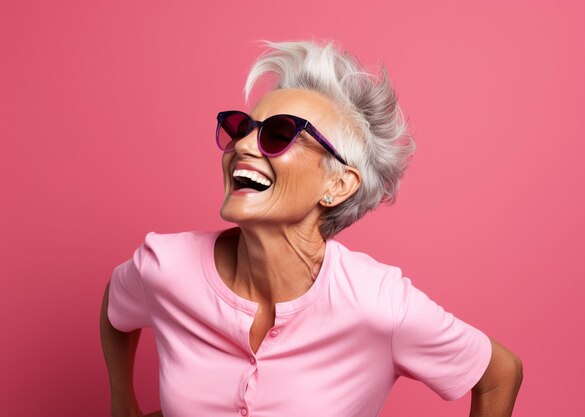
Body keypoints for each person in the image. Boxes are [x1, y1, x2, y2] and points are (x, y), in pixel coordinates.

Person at [100, 40, 523, 417]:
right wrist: (124, 403)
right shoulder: (164, 267)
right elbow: (117, 308)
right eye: (241, 128)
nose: (243, 145)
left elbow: (500, 373)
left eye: (280, 134)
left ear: (337, 185)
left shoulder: (379, 303)